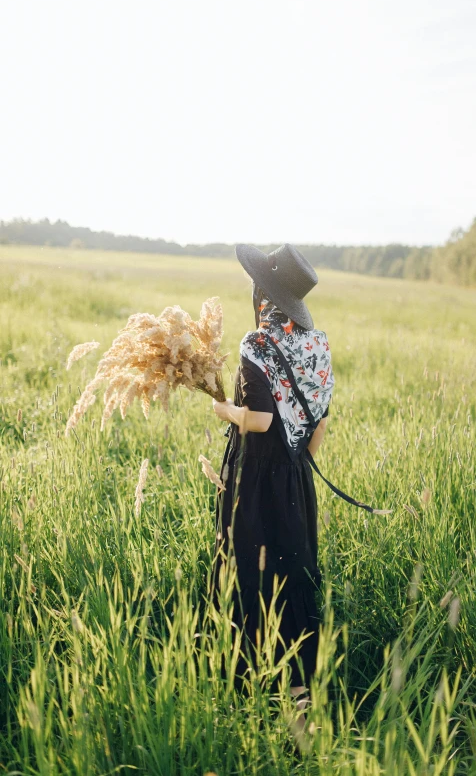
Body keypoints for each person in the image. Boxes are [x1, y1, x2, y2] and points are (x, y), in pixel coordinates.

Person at [210, 242, 334, 729]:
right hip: (297, 478)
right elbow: (321, 421)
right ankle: (299, 700)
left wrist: (222, 409)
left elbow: (258, 420)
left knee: (250, 576)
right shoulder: (318, 342)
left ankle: (248, 692)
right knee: (293, 577)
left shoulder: (256, 343)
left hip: (256, 481)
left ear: (264, 295)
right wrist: (297, 468)